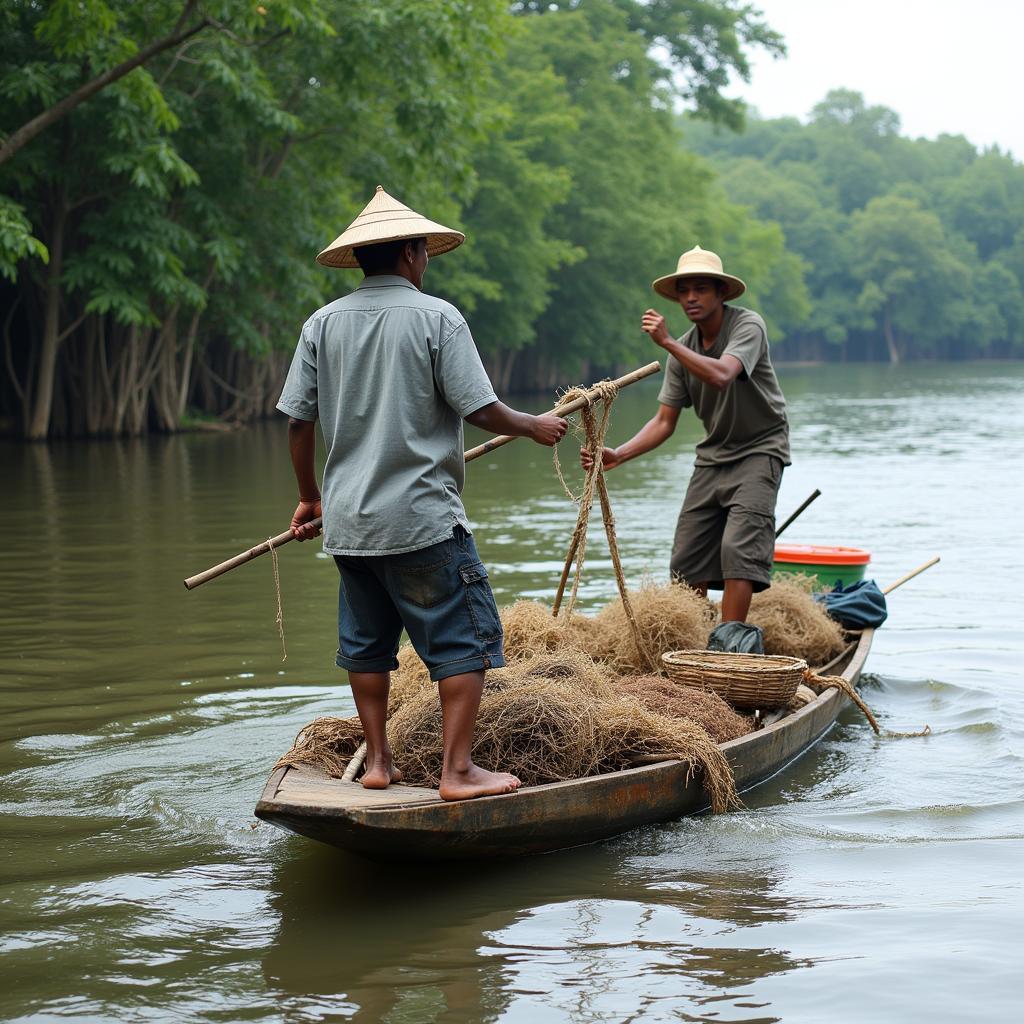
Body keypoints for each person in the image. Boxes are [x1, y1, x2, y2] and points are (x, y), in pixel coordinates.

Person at [277, 186, 567, 800]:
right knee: (463, 641)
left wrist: (311, 496)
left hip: (351, 526)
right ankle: (457, 772)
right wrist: (534, 426)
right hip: (422, 521)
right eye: (423, 251)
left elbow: (298, 422)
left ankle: (379, 763)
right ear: (412, 254)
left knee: (366, 645)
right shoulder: (438, 317)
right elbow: (480, 408)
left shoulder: (321, 324)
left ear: (361, 259)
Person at [581, 246, 789, 627]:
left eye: (701, 289)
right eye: (684, 291)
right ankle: (695, 637)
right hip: (714, 456)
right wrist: (619, 454)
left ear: (721, 293)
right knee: (687, 556)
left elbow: (723, 375)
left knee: (737, 550)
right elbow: (664, 421)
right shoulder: (682, 351)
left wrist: (667, 343)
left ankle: (729, 645)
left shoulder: (747, 326)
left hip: (761, 450)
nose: (691, 298)